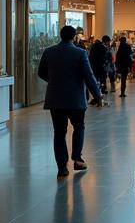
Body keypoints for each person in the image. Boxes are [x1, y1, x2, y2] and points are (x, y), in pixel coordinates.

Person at [38, 25, 102, 179]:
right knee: (79, 127)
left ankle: (62, 168)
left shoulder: (49, 52)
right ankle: (77, 158)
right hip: (76, 99)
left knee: (59, 133)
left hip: (55, 99)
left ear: (60, 36)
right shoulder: (80, 53)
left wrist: (53, 81)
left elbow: (41, 72)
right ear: (74, 37)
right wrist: (97, 96)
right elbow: (89, 75)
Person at [87, 36, 110, 105]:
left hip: (93, 67)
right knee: (100, 83)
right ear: (106, 41)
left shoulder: (94, 46)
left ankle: (95, 98)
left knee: (96, 83)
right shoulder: (103, 48)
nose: (109, 43)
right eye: (109, 41)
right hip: (100, 69)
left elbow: (90, 57)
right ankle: (98, 100)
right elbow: (103, 60)